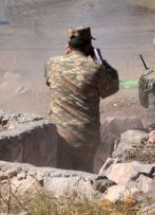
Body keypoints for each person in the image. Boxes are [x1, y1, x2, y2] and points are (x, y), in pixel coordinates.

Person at [45, 26, 120, 172]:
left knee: (60, 173)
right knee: (83, 175)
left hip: (60, 134)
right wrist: (101, 61)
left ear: (68, 45)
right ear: (88, 46)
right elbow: (112, 87)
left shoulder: (52, 63)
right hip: (86, 136)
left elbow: (49, 81)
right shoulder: (95, 68)